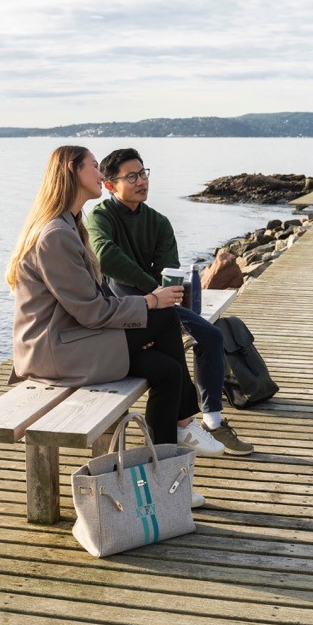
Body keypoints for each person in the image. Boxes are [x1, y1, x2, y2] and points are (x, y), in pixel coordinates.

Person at [6, 145, 210, 506]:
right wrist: (147, 303)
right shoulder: (55, 234)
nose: (101, 175)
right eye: (94, 167)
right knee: (162, 314)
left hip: (78, 339)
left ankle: (163, 481)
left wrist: (136, 325)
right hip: (57, 351)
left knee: (167, 371)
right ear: (73, 170)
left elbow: (93, 306)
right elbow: (91, 311)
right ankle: (184, 422)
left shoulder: (71, 224)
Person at [88, 148, 254, 456]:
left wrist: (158, 295)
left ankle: (211, 421)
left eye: (144, 173)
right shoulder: (100, 217)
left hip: (161, 306)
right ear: (110, 185)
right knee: (169, 361)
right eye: (132, 176)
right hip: (124, 310)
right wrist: (151, 293)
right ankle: (181, 426)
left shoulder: (159, 222)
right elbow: (106, 258)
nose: (142, 181)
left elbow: (169, 270)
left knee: (212, 335)